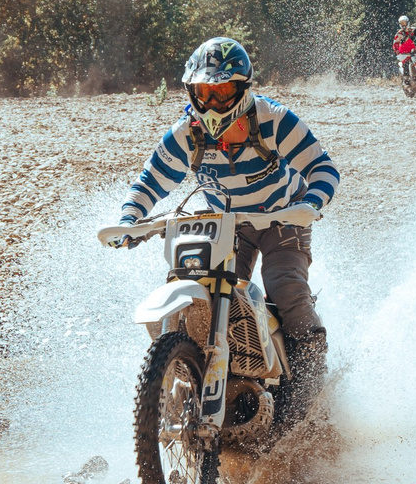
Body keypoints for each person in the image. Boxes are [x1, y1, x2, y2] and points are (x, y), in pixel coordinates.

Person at [118, 36, 338, 403]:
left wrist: (311, 204)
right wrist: (129, 219)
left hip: (284, 216)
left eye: (223, 91)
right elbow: (150, 182)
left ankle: (309, 386)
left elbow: (323, 168)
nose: (213, 103)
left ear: (244, 88)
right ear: (191, 92)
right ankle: (197, 377)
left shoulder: (274, 120)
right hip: (227, 224)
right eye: (204, 92)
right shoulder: (186, 134)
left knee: (285, 288)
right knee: (205, 287)